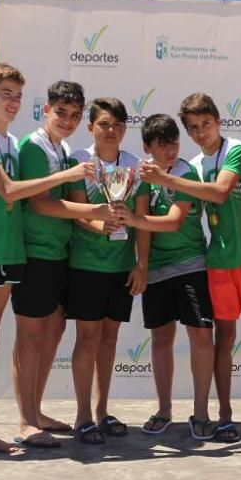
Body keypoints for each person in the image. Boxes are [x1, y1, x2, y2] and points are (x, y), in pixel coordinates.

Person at [0, 63, 111, 465]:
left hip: (9, 248)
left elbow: (15, 198)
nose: (13, 102)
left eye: (18, 95)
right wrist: (67, 174)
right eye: (6, 94)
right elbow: (9, 190)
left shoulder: (12, 143)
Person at [147, 92, 241, 443]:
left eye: (206, 124)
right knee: (224, 340)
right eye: (193, 128)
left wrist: (166, 181)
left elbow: (220, 194)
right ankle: (224, 417)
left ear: (219, 121)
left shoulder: (235, 149)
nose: (201, 132)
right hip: (219, 262)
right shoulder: (194, 166)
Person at [13, 80, 115, 446]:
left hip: (61, 255)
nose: (68, 120)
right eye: (61, 113)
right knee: (30, 336)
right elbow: (40, 203)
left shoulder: (64, 149)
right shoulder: (33, 146)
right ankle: (25, 421)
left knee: (52, 333)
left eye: (74, 115)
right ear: (46, 111)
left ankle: (35, 411)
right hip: (35, 253)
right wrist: (93, 210)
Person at [66, 97, 149, 445]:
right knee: (87, 338)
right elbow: (75, 209)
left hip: (120, 267)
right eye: (103, 124)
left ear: (124, 128)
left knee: (110, 337)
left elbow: (142, 221)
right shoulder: (79, 162)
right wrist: (96, 224)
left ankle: (101, 410)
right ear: (90, 128)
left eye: (116, 124)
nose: (110, 130)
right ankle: (82, 415)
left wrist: (141, 264)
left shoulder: (136, 166)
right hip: (85, 265)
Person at [131, 114, 215, 438]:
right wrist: (141, 265)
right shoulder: (141, 176)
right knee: (161, 339)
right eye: (162, 144)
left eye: (174, 143)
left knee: (201, 337)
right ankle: (164, 409)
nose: (170, 150)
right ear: (147, 147)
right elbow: (140, 224)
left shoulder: (186, 172)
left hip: (191, 265)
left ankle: (201, 412)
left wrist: (136, 220)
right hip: (156, 271)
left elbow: (173, 221)